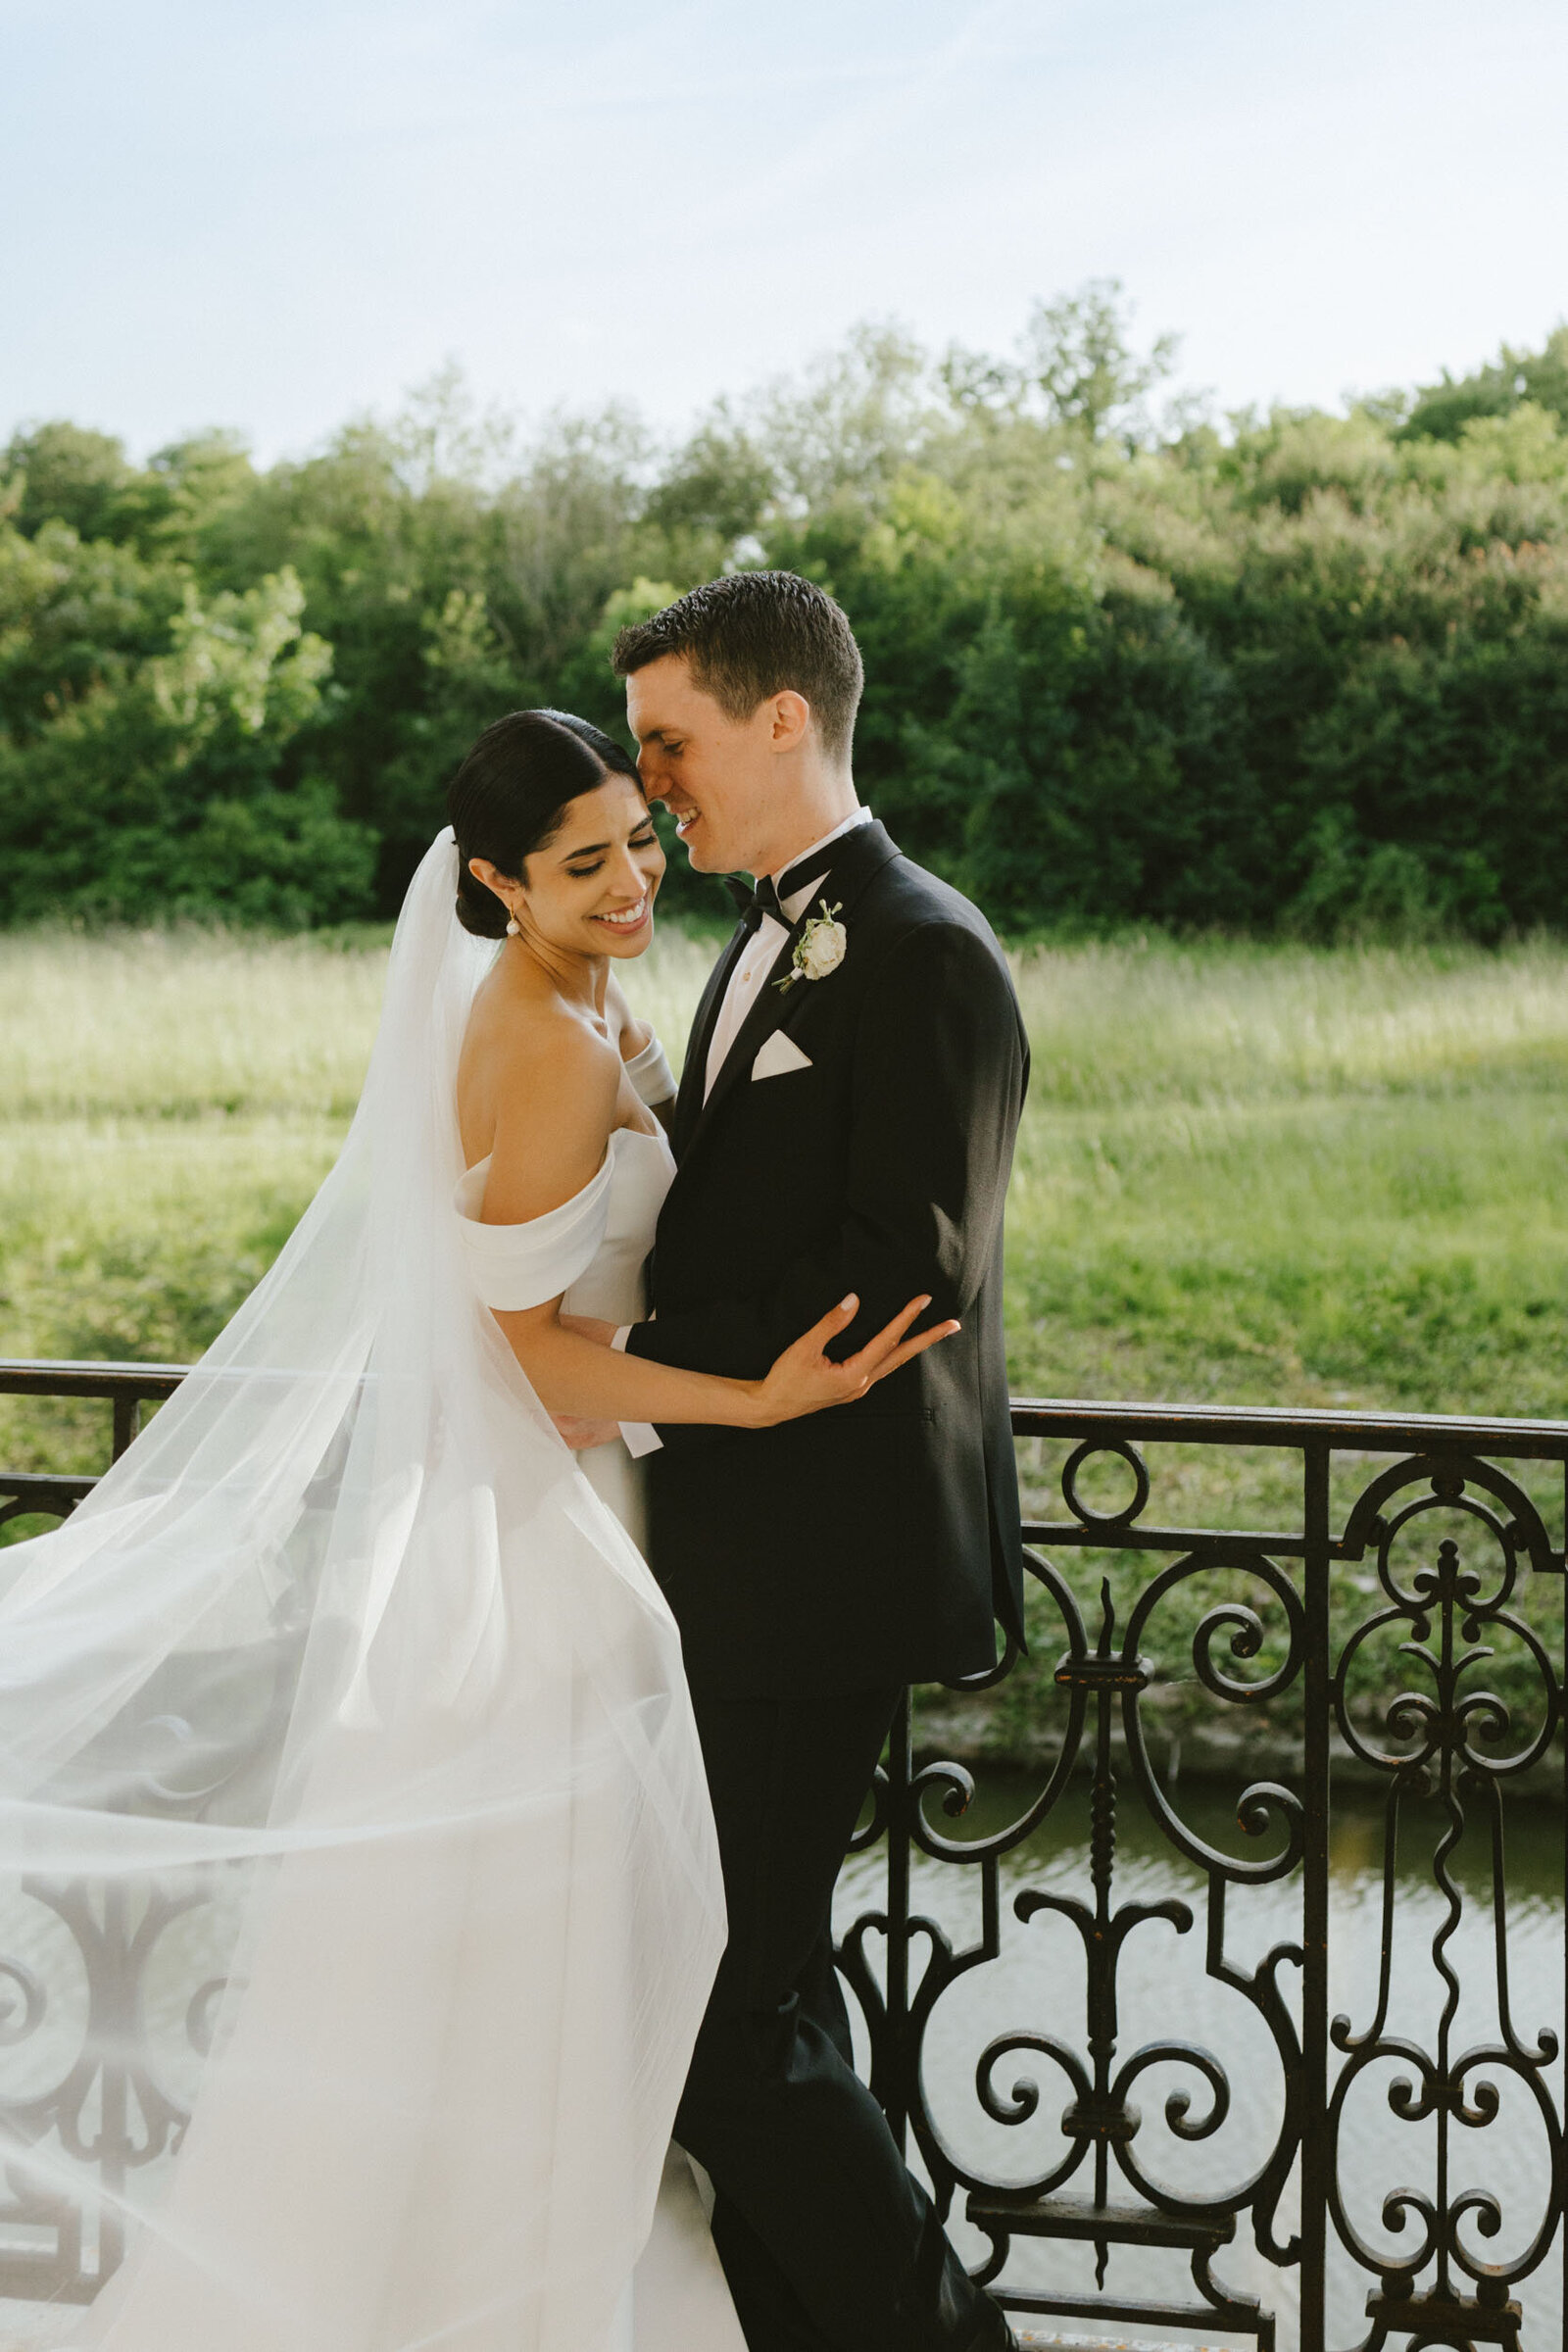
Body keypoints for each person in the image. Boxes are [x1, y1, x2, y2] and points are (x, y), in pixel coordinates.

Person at [0, 710, 950, 2352]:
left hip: (610, 1507)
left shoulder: (592, 999)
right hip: (546, 1538)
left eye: (638, 841)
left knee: (591, 1960)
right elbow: (527, 1357)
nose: (633, 877)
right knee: (549, 1953)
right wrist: (765, 1402)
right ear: (499, 883)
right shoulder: (541, 1037)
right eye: (583, 865)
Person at [593, 571, 1030, 2352]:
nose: (655, 788)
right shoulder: (761, 934)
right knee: (759, 1986)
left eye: (670, 743)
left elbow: (902, 1271)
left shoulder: (923, 950)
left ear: (787, 720)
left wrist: (616, 1371)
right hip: (727, 1552)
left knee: (719, 2023)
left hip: (819, 1557)